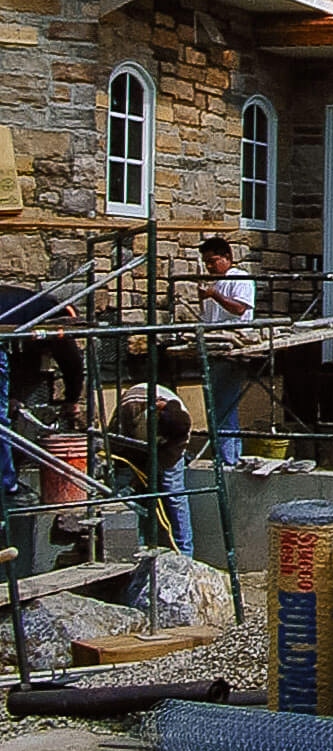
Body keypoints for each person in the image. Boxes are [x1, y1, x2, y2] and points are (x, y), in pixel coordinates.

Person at [0, 285, 84, 503]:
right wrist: (72, 400)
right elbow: (72, 363)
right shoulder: (57, 318)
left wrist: (12, 396)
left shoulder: (30, 306)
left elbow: (19, 357)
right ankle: (7, 486)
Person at [112, 383, 193, 557]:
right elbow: (116, 445)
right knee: (126, 494)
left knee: (173, 492)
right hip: (129, 441)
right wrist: (132, 480)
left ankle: (185, 553)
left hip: (162, 447)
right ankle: (133, 551)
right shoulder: (131, 407)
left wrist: (151, 471)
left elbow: (168, 460)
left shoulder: (181, 425)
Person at [197, 237, 254, 466]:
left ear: (227, 258)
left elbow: (240, 309)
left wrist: (214, 296)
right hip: (214, 349)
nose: (209, 266)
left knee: (225, 405)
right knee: (216, 405)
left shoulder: (239, 278)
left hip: (232, 350)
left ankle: (228, 458)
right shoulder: (215, 284)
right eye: (206, 262)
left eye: (213, 261)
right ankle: (224, 455)